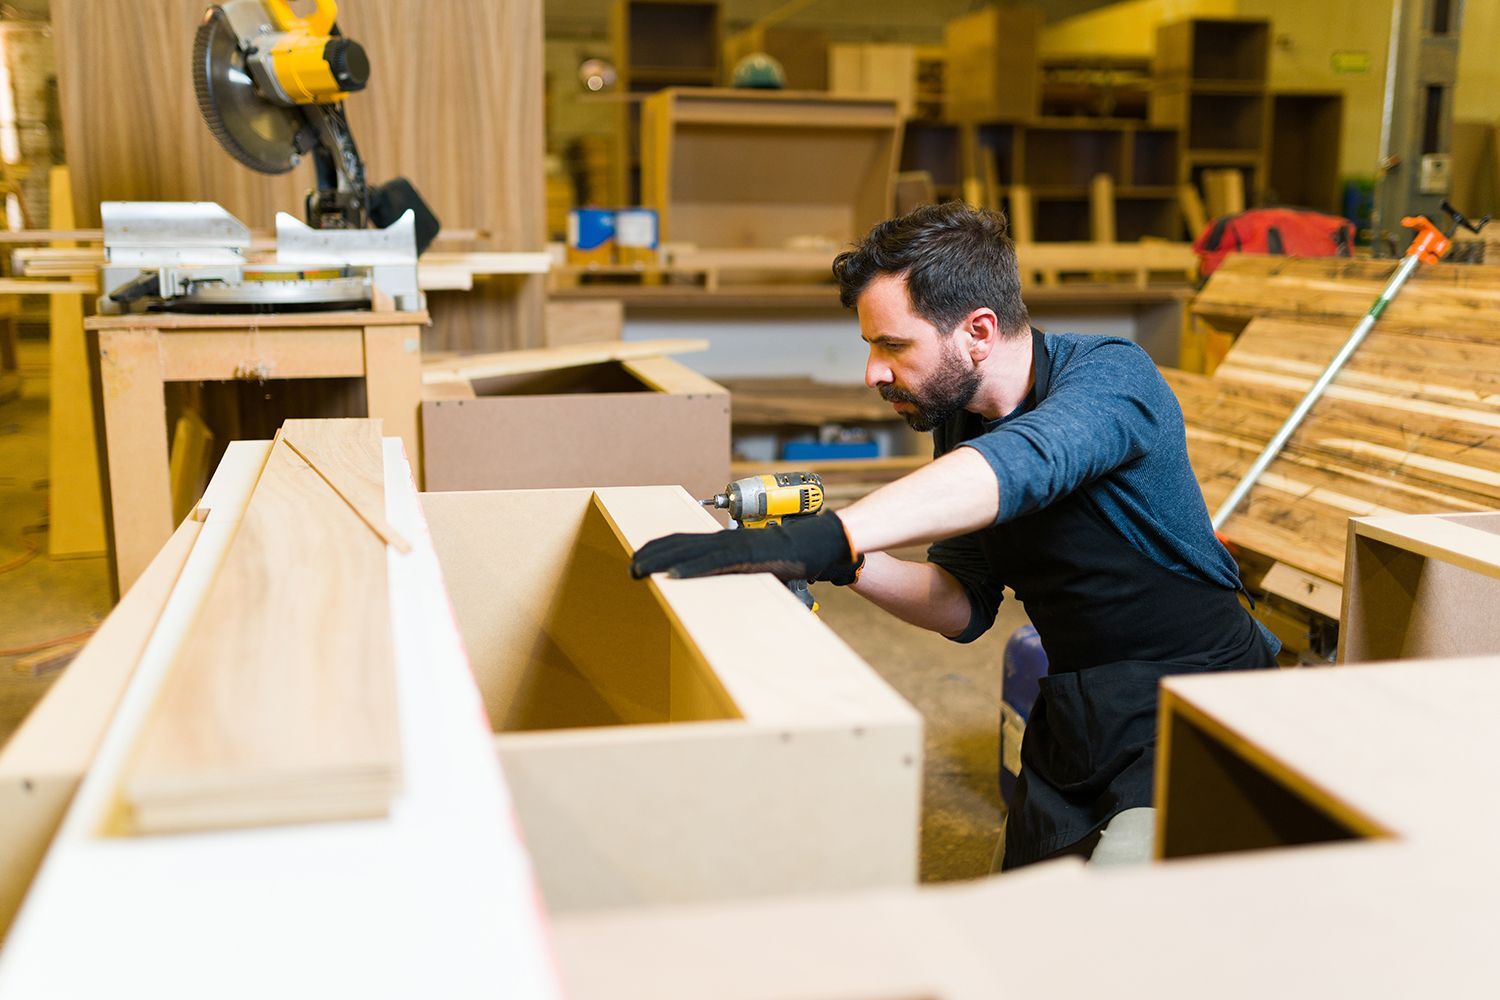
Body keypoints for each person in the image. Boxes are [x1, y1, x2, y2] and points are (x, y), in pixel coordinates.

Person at [629, 202, 1279, 869]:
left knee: (1114, 925)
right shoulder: (962, 421)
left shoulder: (1114, 378)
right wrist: (840, 562)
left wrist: (833, 534)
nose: (873, 373)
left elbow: (1031, 462)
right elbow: (963, 603)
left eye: (893, 345)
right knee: (1013, 912)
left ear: (978, 331)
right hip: (1078, 713)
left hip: (1194, 703)